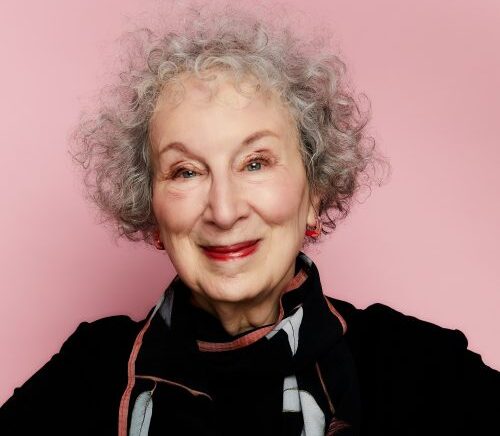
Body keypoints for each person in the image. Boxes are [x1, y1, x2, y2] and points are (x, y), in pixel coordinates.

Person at [1, 2, 498, 435]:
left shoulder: (421, 368)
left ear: (315, 191)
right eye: (186, 171)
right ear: (151, 211)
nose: (224, 209)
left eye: (255, 163)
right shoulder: (88, 374)